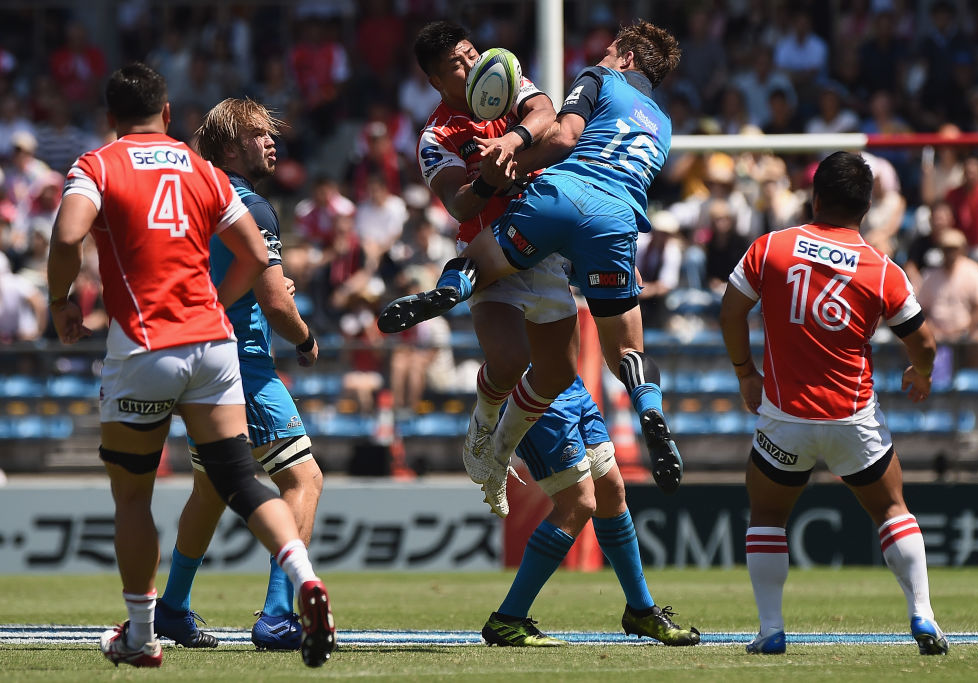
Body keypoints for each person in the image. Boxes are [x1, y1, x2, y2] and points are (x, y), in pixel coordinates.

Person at [46, 63, 334, 669]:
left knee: (136, 497)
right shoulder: (205, 175)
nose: (272, 142)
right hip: (226, 356)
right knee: (249, 481)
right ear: (169, 114)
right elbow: (262, 267)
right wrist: (251, 317)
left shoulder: (98, 164)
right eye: (260, 133)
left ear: (109, 118)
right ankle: (296, 586)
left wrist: (60, 302)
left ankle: (148, 628)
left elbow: (68, 236)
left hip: (146, 345)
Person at [378, 21, 685, 512]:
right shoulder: (435, 136)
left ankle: (496, 451)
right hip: (497, 243)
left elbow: (546, 113)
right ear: (437, 82)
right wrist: (488, 183)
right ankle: (484, 435)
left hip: (544, 245)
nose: (472, 64)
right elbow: (458, 203)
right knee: (510, 363)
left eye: (471, 51)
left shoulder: (506, 77)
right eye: (457, 64)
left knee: (560, 373)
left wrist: (513, 145)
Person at [718, 151, 948, 656]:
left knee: (767, 516)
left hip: (784, 418)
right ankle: (924, 616)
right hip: (853, 419)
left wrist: (745, 374)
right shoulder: (882, 270)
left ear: (814, 197)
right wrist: (922, 373)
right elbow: (924, 343)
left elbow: (731, 311)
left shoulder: (772, 248)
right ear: (866, 208)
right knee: (891, 509)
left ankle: (772, 629)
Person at [149, 97, 327, 653]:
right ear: (229, 147)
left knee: (211, 485)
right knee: (303, 479)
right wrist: (304, 336)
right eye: (257, 134)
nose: (271, 141)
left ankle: (172, 608)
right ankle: (277, 614)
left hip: (193, 361)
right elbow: (275, 303)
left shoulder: (189, 202)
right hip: (243, 365)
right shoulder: (250, 207)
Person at [482, 376, 698, 647]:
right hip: (536, 393)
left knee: (611, 492)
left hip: (574, 388)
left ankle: (641, 610)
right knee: (578, 503)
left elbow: (625, 347)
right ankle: (508, 618)